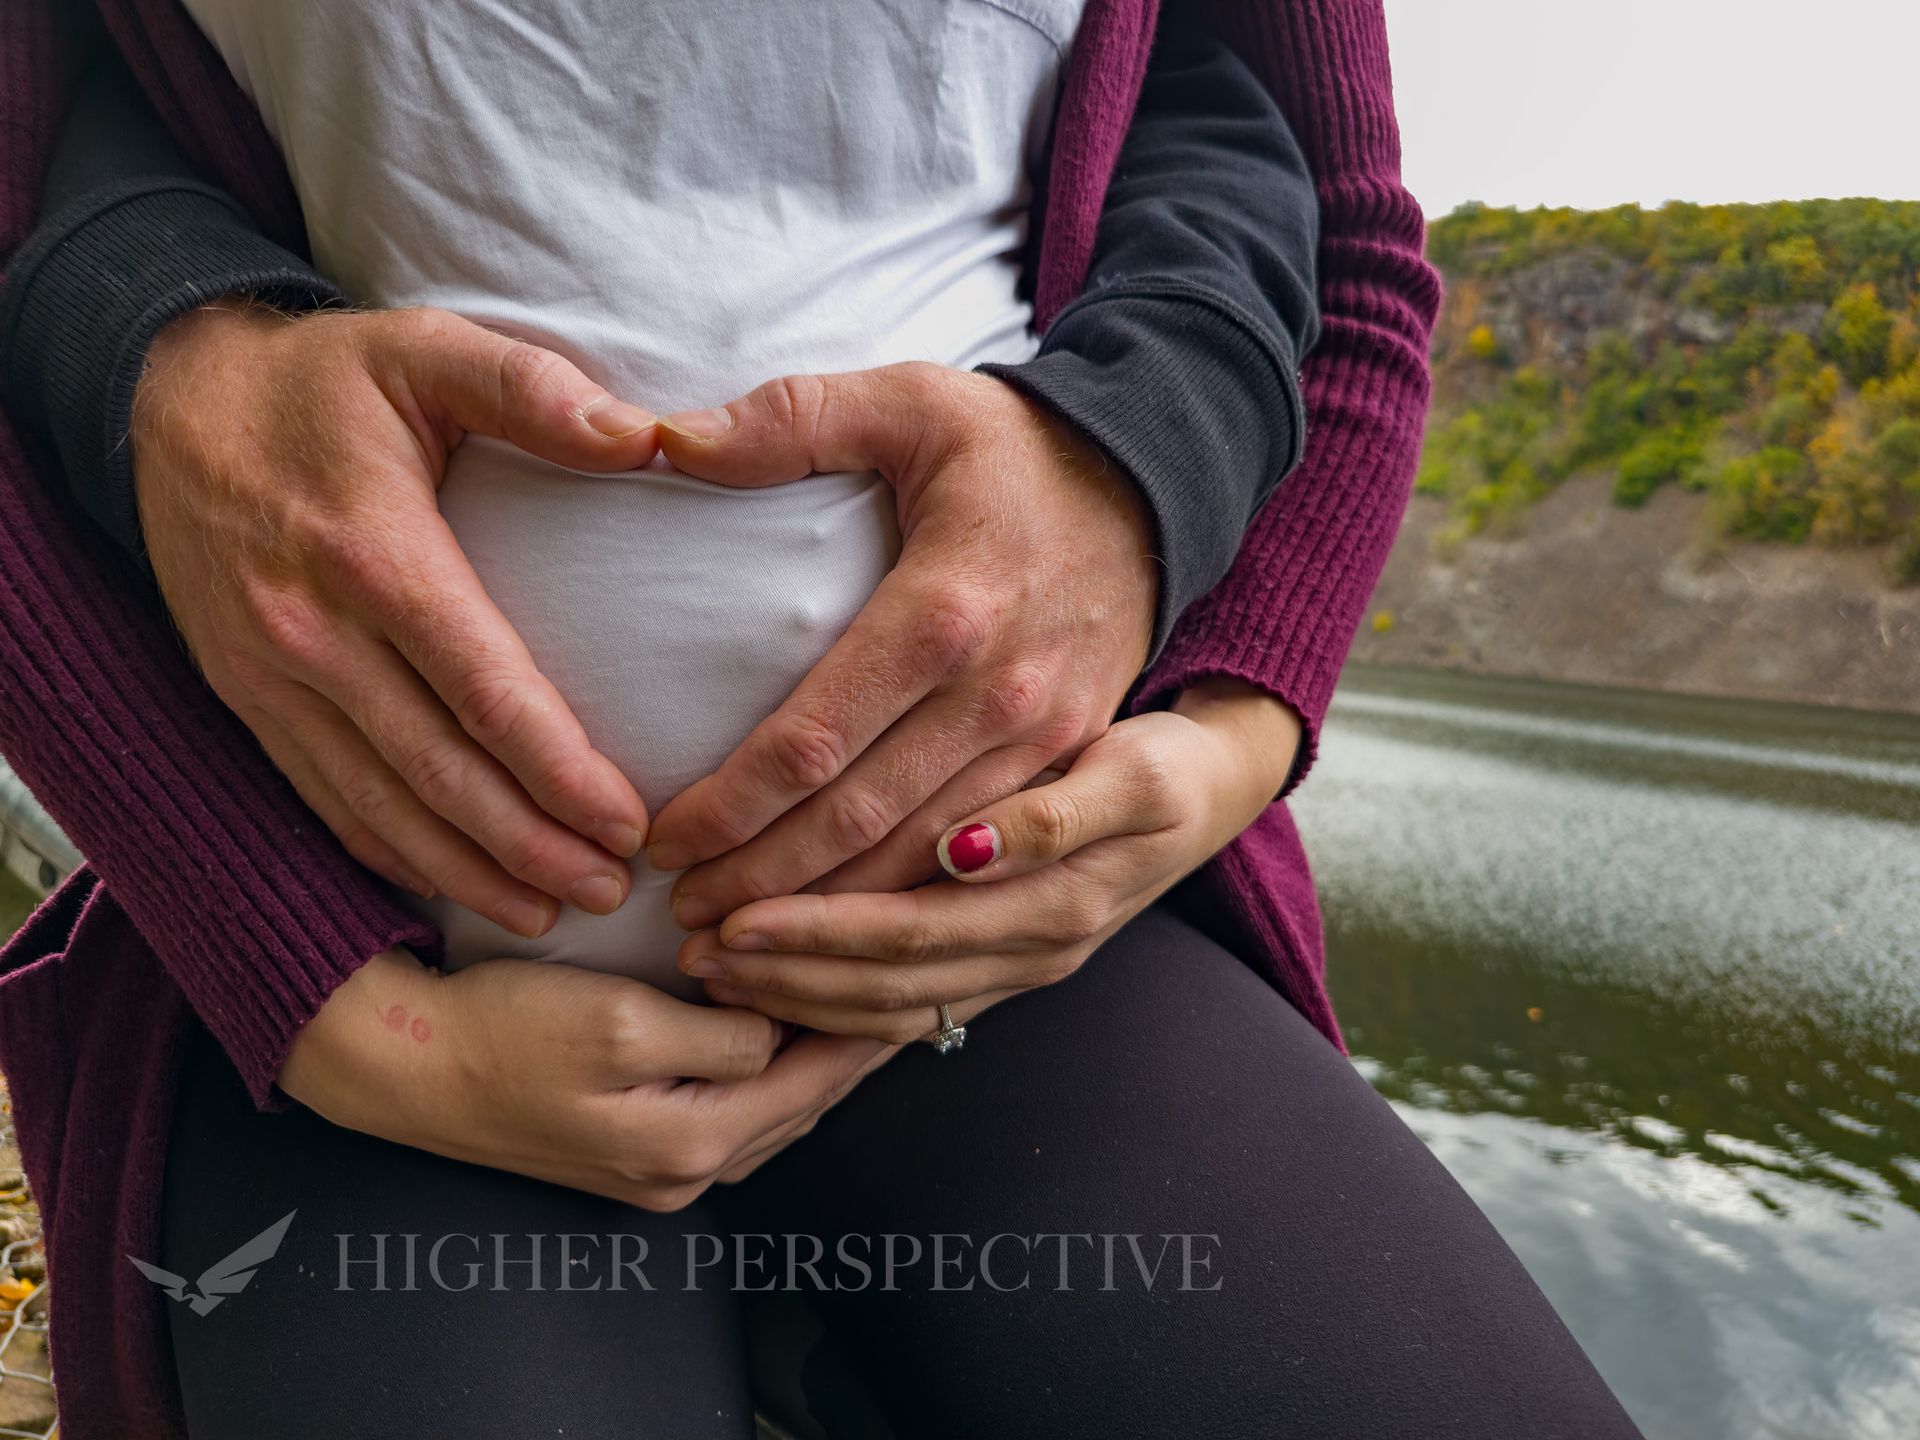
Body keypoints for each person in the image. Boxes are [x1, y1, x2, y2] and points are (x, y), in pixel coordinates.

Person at [0, 1, 1644, 1436]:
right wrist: (300, 973)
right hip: (383, 988)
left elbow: (1344, 246)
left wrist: (1223, 732)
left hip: (1006, 966)